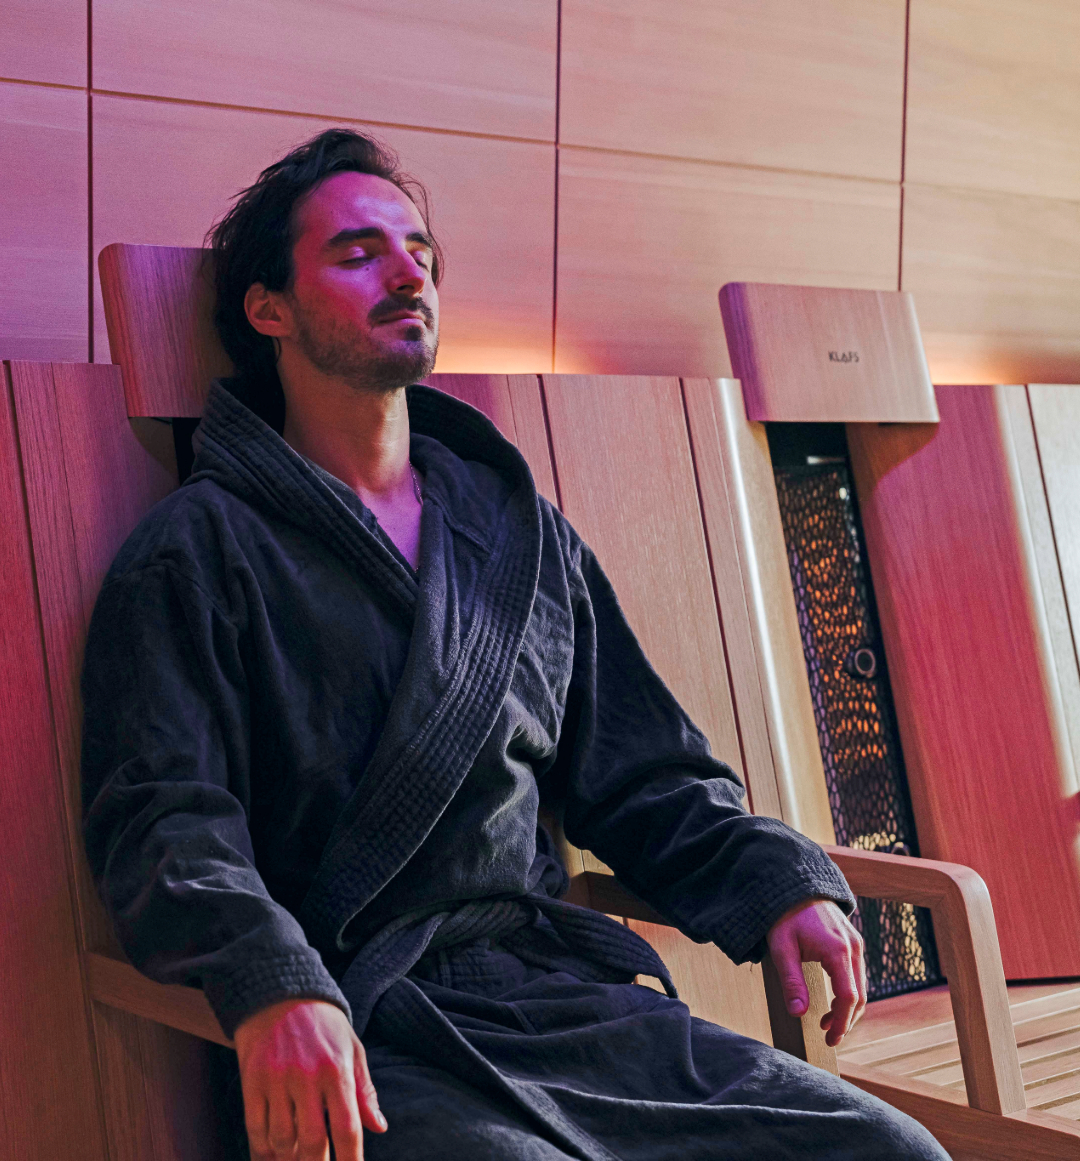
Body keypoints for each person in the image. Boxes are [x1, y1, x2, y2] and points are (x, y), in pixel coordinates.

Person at [81, 128, 947, 1161]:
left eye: (419, 251)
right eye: (358, 253)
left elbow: (644, 774)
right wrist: (271, 982)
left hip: (562, 1000)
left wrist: (776, 879)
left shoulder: (518, 536)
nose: (408, 272)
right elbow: (164, 822)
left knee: (893, 1150)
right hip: (361, 1030)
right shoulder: (196, 552)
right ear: (269, 309)